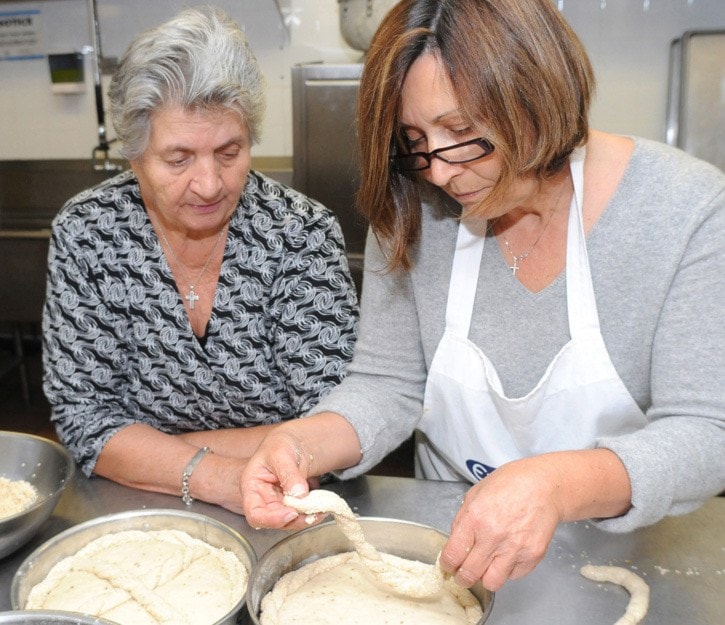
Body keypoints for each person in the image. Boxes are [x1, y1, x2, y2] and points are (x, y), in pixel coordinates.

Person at [240, 0, 725, 592]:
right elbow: (387, 384)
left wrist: (555, 484)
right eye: (415, 139)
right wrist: (298, 442)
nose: (439, 173)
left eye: (464, 134)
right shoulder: (412, 204)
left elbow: (707, 431)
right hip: (449, 562)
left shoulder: (686, 212)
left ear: (536, 92)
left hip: (626, 560)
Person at [42, 7, 358, 513]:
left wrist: (151, 450)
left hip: (291, 506)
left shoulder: (299, 233)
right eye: (178, 158)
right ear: (134, 156)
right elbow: (84, 417)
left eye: (229, 153)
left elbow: (335, 427)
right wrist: (224, 477)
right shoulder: (89, 234)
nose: (210, 184)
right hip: (140, 511)